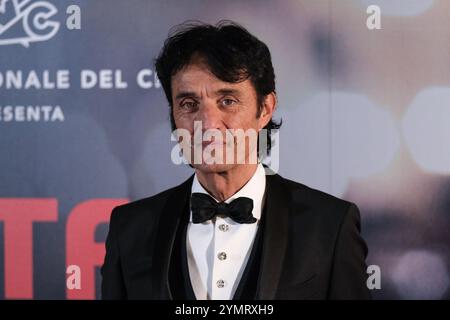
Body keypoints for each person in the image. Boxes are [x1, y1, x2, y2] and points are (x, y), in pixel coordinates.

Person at [101, 20, 371, 300]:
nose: (207, 123)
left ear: (265, 108)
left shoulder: (329, 225)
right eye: (189, 104)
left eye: (227, 101)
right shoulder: (130, 229)